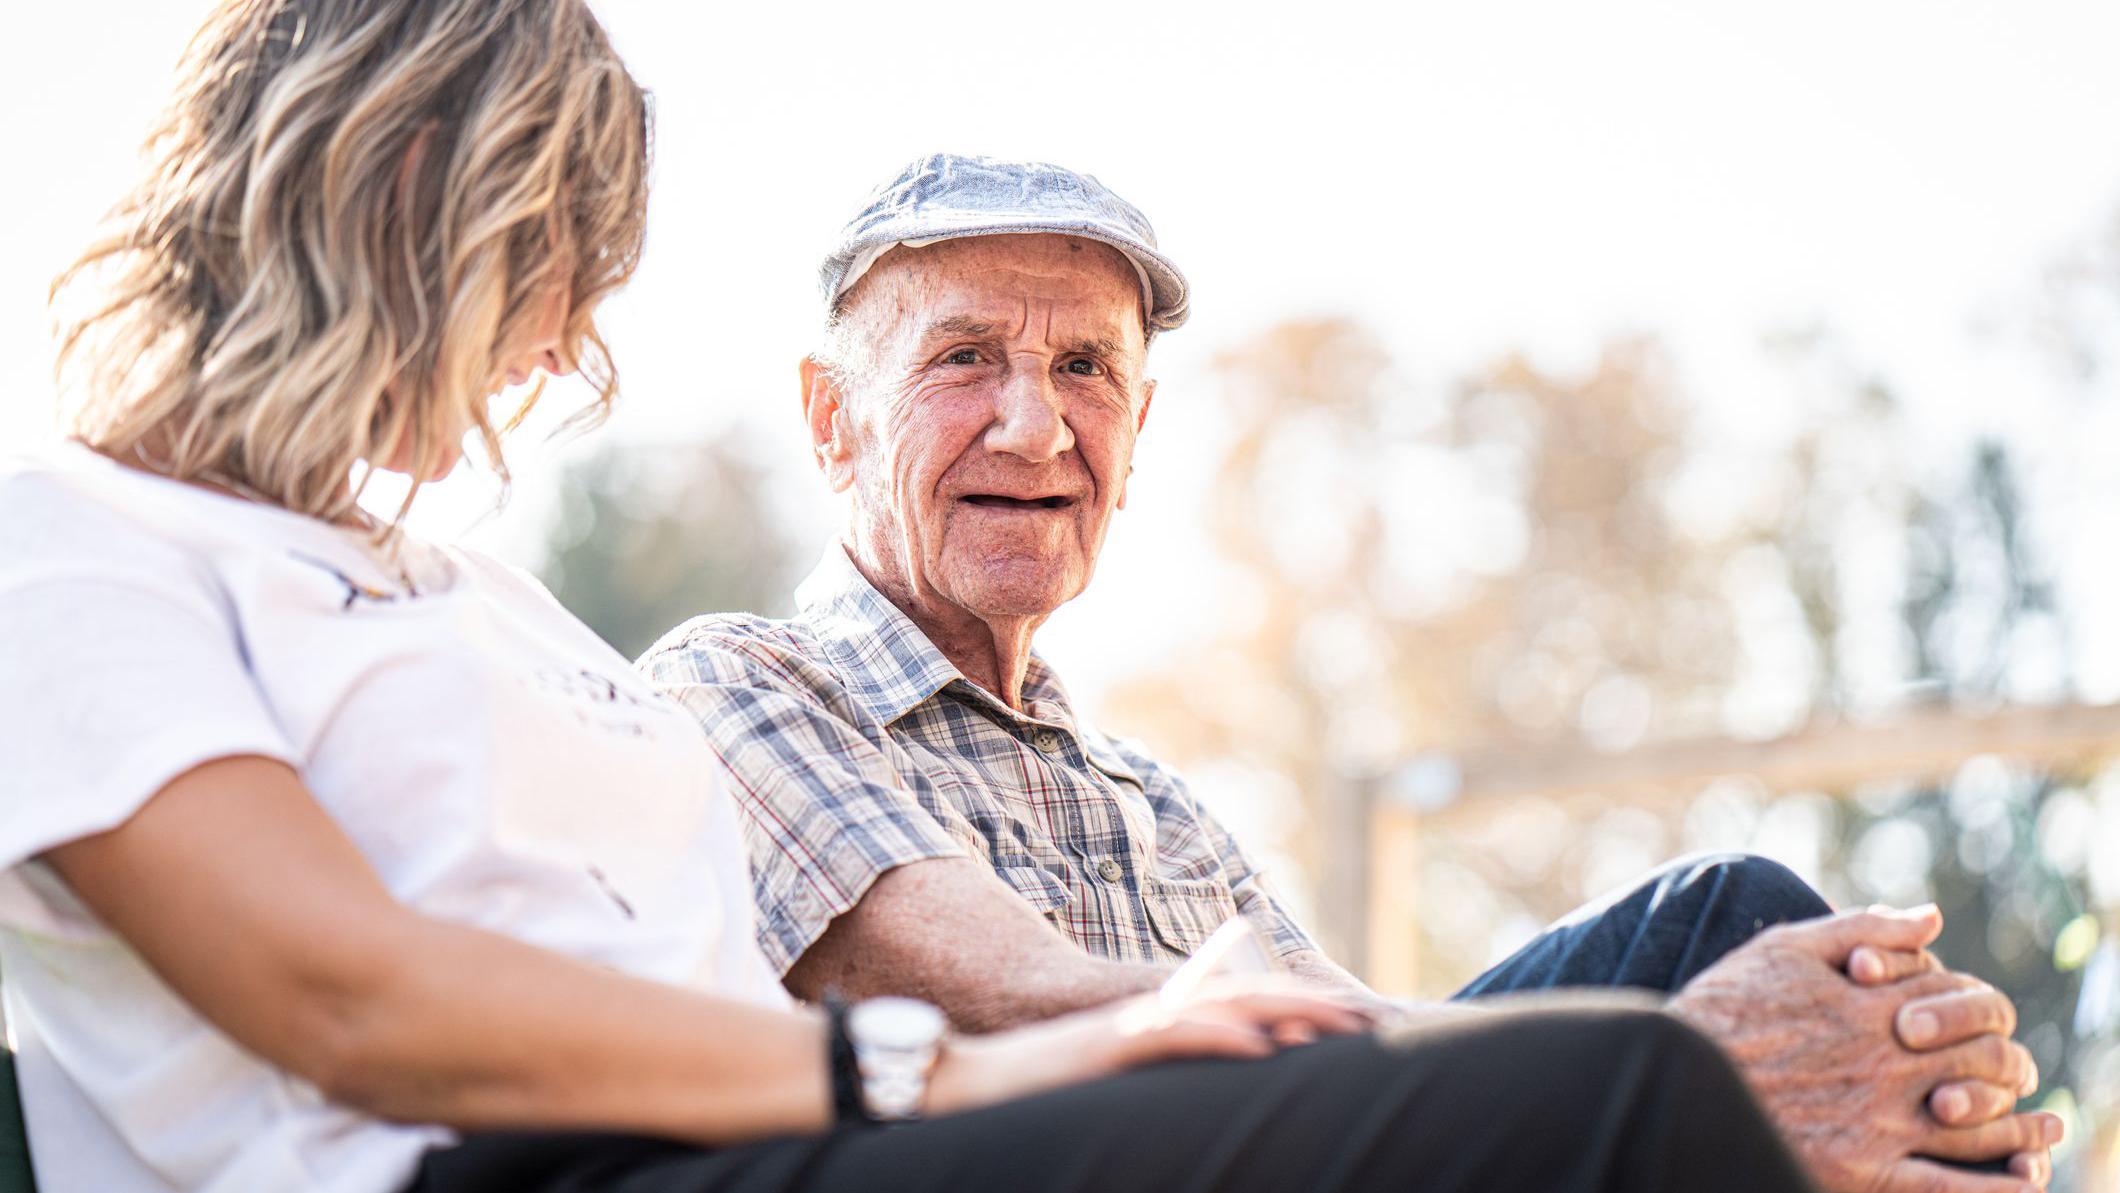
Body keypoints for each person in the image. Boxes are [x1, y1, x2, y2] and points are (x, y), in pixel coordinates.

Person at [0, 4, 1822, 1193]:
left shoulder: (471, 592)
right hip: (545, 1168)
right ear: (385, 196)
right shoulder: (69, 544)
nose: (566, 350)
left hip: (782, 1130)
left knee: (1732, 937)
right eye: (540, 267)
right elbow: (348, 999)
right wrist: (935, 1076)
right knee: (1623, 1108)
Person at [640, 152, 2063, 1193]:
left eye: (1085, 369)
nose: (1033, 424)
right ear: (832, 418)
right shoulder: (745, 681)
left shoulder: (1149, 794)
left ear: (1137, 428)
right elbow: (1033, 992)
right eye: (964, 358)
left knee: (1741, 918)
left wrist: (1785, 1059)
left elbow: (1380, 1034)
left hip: (1311, 1144)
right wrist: (1673, 1078)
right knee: (1735, 1031)